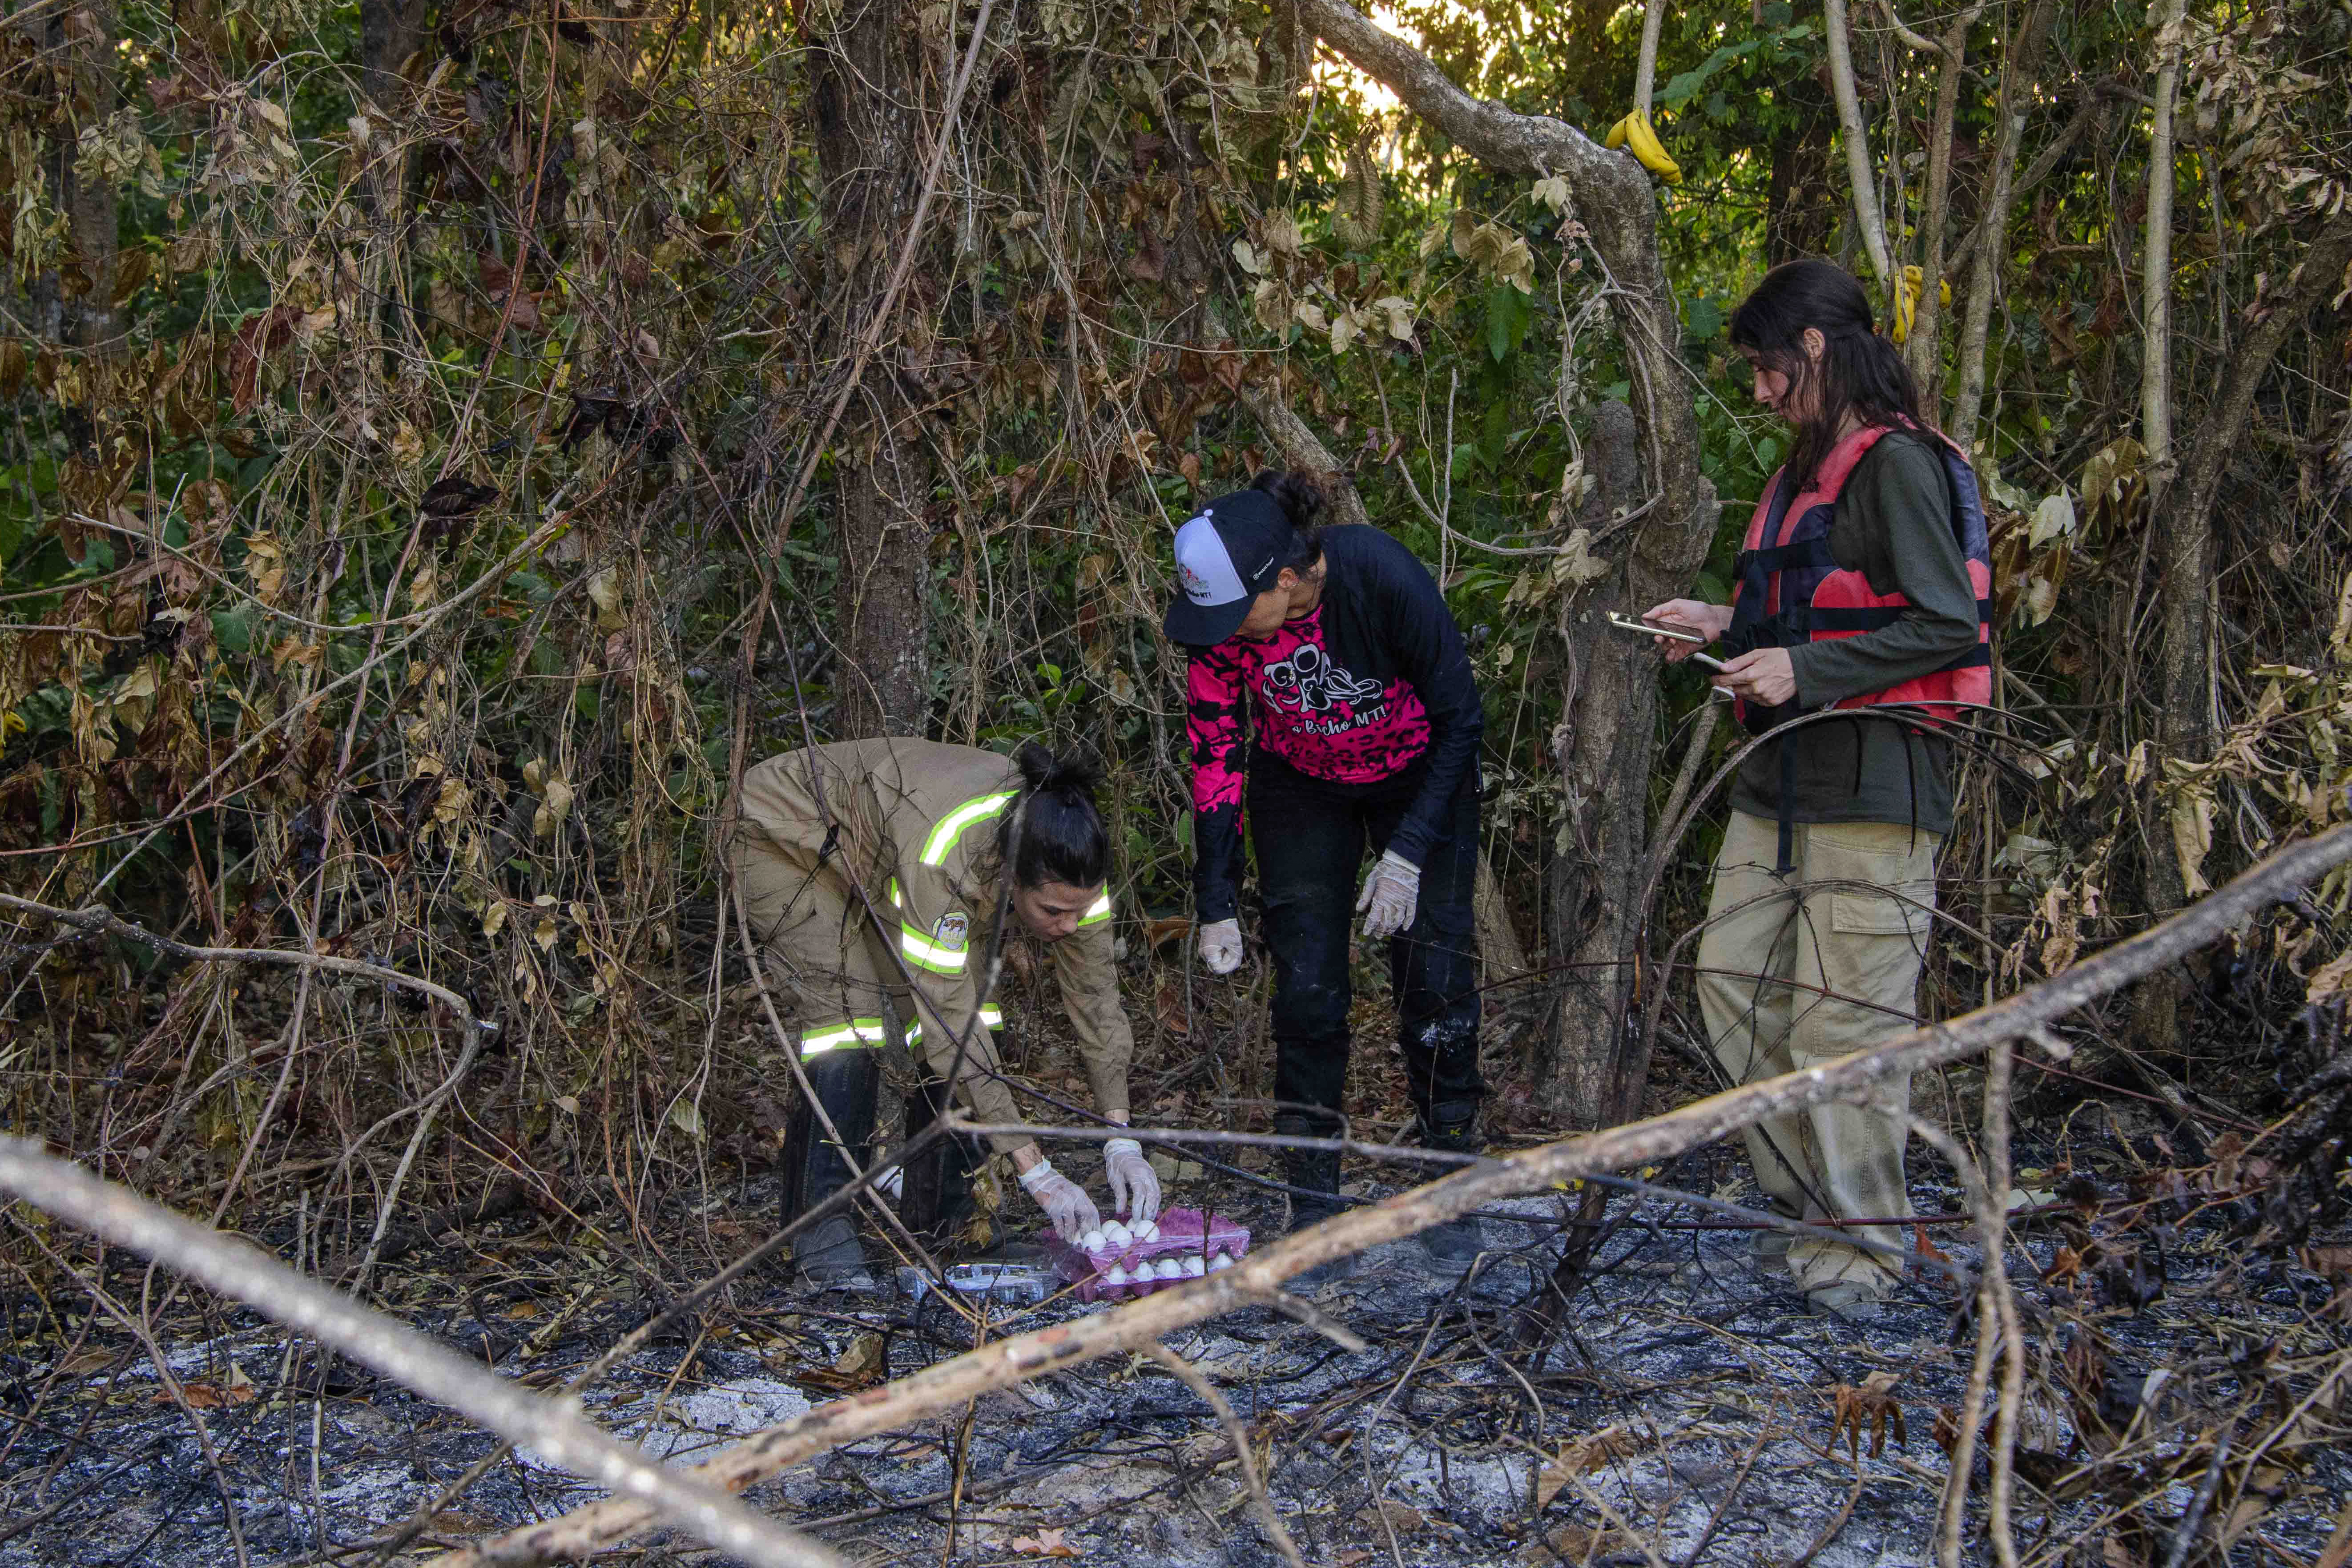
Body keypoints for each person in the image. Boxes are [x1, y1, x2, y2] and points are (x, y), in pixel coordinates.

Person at [1642, 258, 1991, 1313]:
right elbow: (1801, 610)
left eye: (1764, 369)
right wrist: (1717, 625)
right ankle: (1807, 1215)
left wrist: (1810, 668)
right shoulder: (1803, 469)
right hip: (1778, 789)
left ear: (1814, 350)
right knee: (1731, 988)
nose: (1757, 390)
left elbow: (1945, 621)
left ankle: (1855, 1265)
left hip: (1877, 791)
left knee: (1843, 1032)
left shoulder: (1896, 465)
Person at [1163, 472, 1486, 1273]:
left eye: (1234, 612)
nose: (1224, 631)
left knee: (1435, 977)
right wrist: (1215, 898)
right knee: (1307, 988)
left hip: (1418, 776)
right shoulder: (1222, 638)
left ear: (1283, 580)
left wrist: (1407, 854)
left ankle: (1450, 1179)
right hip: (1300, 785)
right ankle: (1313, 1204)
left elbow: (1460, 719)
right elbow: (1214, 758)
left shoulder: (1379, 576)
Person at [729, 738, 1158, 1290]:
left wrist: (1119, 1135)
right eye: (1052, 912)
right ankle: (819, 1229)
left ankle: (951, 1226)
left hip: (875, 852)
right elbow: (949, 1023)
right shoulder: (945, 858)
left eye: (1079, 912)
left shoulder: (1075, 873)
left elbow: (1097, 1001)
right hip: (783, 833)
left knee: (977, 1010)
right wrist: (1036, 1171)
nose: (1069, 925)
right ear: (1009, 878)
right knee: (850, 1017)